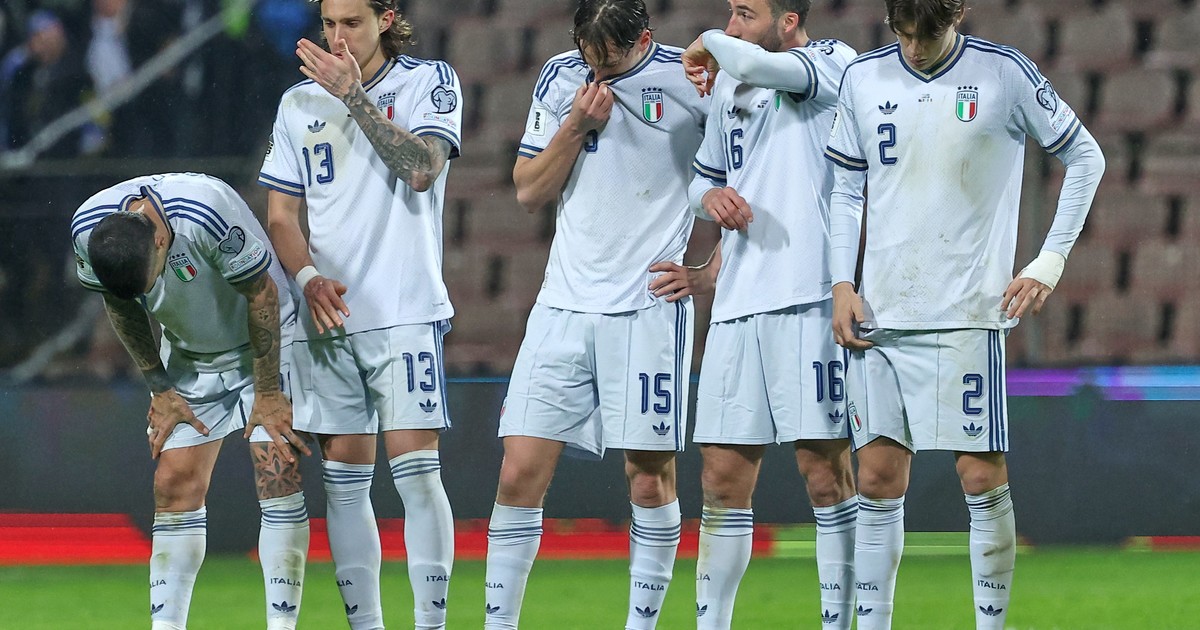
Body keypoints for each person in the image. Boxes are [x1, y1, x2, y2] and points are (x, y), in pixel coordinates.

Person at [824, 1, 1105, 628]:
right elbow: (844, 188)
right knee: (876, 478)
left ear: (957, 14)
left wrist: (1049, 260)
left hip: (966, 314)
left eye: (927, 34)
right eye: (903, 33)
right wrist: (842, 282)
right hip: (881, 315)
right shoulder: (863, 78)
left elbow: (1087, 157)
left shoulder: (1003, 74)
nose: (914, 47)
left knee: (980, 477)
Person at [482, 1, 707, 628]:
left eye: (610, 58)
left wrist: (707, 271)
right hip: (561, 306)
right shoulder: (561, 77)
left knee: (648, 480)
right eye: (589, 54)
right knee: (518, 473)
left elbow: (751, 179)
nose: (597, 69)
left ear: (644, 38)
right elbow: (529, 190)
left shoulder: (690, 81)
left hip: (646, 309)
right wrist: (576, 126)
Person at [651, 1, 858, 627]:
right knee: (720, 478)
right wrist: (709, 197)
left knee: (824, 474)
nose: (732, 25)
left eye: (746, 13)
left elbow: (749, 62)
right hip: (738, 304)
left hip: (810, 296)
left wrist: (707, 41)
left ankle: (841, 620)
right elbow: (702, 179)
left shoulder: (832, 63)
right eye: (728, 13)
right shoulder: (730, 85)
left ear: (789, 20)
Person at [258, 0, 462, 628]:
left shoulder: (429, 81)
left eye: (352, 22)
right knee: (344, 483)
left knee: (417, 474)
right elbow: (281, 216)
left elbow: (423, 170)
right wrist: (307, 278)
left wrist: (353, 95)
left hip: (404, 306)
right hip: (328, 314)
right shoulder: (298, 103)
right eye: (328, 24)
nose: (337, 36)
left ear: (386, 18)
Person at [69, 173, 310, 630]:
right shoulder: (88, 229)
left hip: (268, 341)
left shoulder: (205, 211)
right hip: (189, 354)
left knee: (276, 470)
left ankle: (282, 625)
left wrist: (268, 394)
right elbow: (120, 304)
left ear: (161, 240)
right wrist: (160, 388)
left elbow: (262, 294)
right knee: (173, 482)